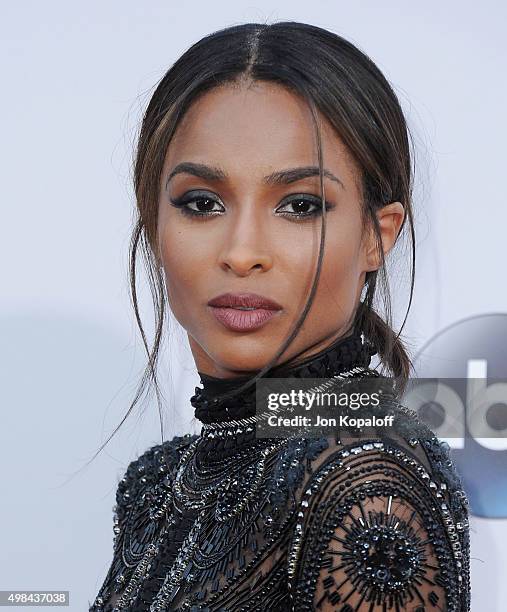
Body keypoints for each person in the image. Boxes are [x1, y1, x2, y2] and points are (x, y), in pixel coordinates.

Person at [89, 21, 471, 611]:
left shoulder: (367, 483)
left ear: (376, 235)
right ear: (154, 221)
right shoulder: (156, 485)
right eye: (202, 203)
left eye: (300, 206)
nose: (242, 253)